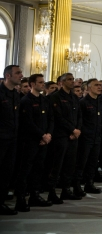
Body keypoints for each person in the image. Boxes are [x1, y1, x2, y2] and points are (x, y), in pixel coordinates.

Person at [14, 74, 54, 211]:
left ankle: (35, 195)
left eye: (43, 82)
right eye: (40, 82)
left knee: (38, 169)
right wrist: (42, 135)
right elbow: (27, 122)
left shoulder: (44, 100)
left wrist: (48, 134)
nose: (43, 84)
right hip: (30, 141)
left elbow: (51, 119)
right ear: (32, 84)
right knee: (25, 170)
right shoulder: (26, 100)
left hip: (44, 141)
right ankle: (20, 199)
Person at [48, 73, 83, 202]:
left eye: (73, 79)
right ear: (61, 82)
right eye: (69, 79)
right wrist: (72, 129)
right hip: (61, 135)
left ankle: (66, 190)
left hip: (73, 136)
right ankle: (51, 192)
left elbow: (79, 115)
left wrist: (77, 129)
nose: (72, 81)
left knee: (70, 164)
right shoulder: (55, 97)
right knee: (57, 164)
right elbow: (58, 117)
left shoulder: (74, 97)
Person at [74, 78, 102, 197]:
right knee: (81, 163)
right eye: (96, 85)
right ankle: (76, 186)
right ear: (89, 88)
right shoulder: (83, 102)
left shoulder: (100, 102)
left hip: (96, 137)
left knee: (93, 163)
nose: (99, 87)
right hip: (86, 137)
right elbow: (80, 120)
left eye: (100, 85)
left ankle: (89, 183)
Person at [0, 65, 24, 215]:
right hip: (1, 139)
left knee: (7, 172)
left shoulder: (15, 94)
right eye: (18, 73)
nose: (21, 75)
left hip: (12, 139)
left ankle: (1, 202)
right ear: (8, 76)